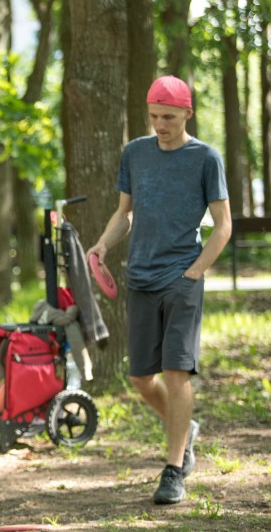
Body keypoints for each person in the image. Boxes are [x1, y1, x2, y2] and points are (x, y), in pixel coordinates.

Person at [86, 75, 231, 505]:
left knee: (176, 370)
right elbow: (124, 214)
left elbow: (223, 226)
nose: (160, 125)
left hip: (182, 277)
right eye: (153, 116)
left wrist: (196, 271)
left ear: (187, 112)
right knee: (139, 377)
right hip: (141, 277)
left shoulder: (206, 158)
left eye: (168, 117)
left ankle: (174, 469)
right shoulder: (136, 153)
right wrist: (103, 243)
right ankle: (185, 428)